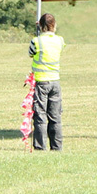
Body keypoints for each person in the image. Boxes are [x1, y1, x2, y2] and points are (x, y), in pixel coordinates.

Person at [28, 13, 64, 151]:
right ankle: (57, 146)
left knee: (40, 115)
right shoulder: (60, 40)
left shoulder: (37, 41)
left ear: (41, 26)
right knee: (55, 116)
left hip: (41, 81)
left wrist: (38, 32)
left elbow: (31, 53)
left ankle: (40, 146)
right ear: (54, 25)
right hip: (55, 80)